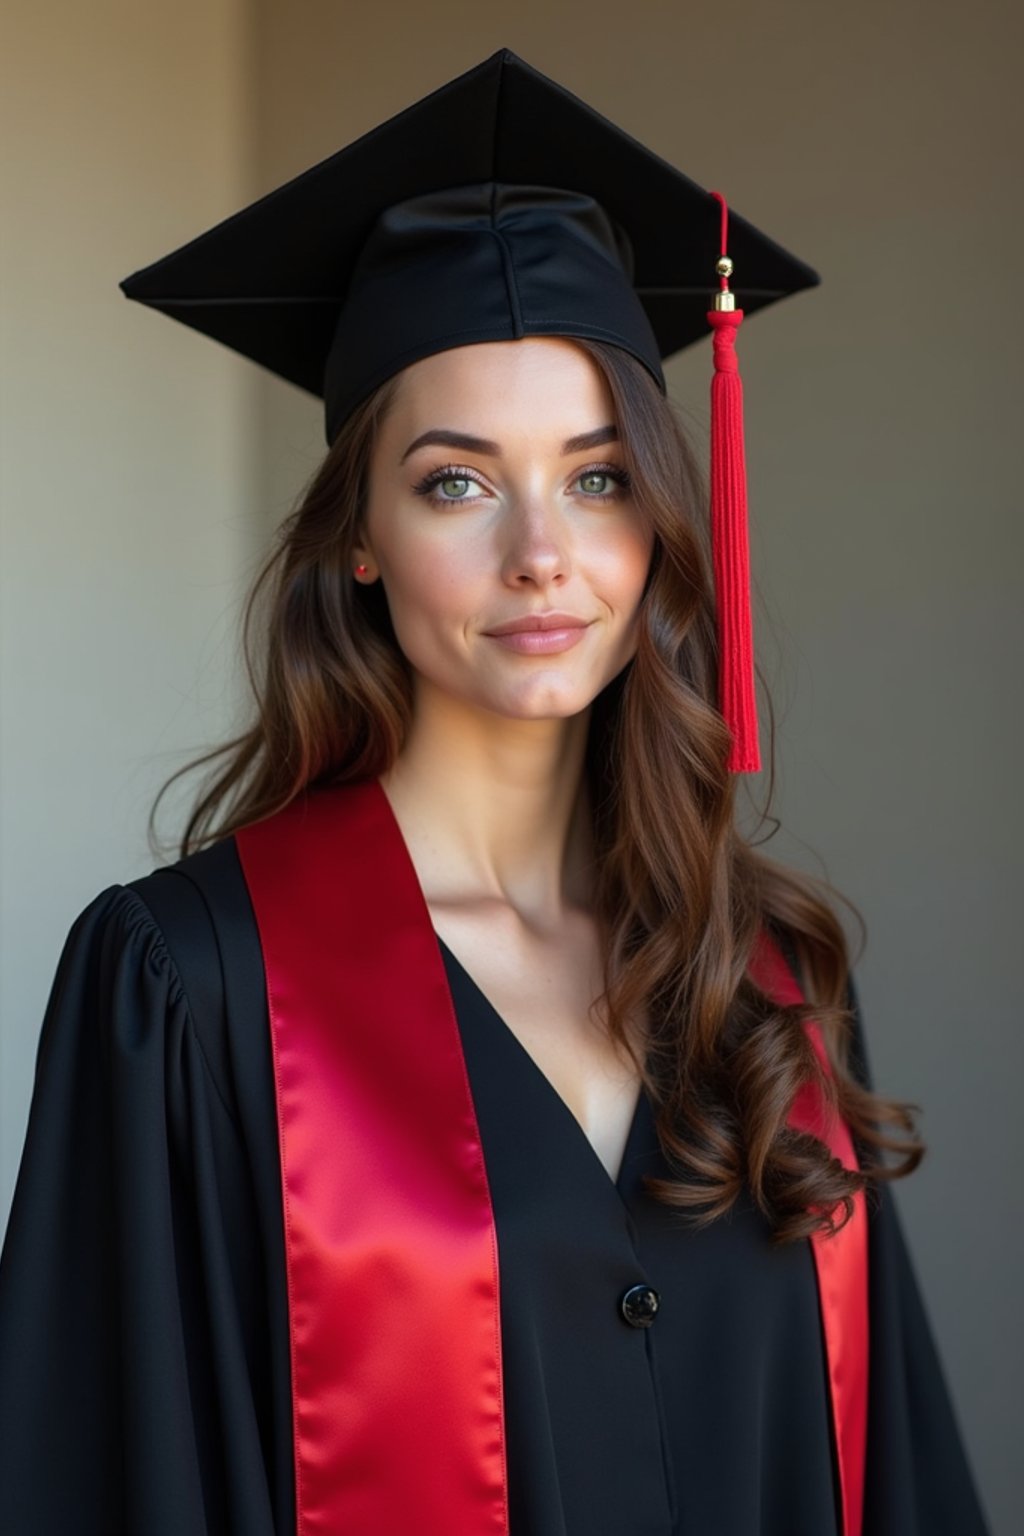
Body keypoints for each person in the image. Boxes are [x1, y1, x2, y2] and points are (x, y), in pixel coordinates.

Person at [0, 46, 990, 1536]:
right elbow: (108, 1473)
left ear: (657, 517)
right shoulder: (189, 988)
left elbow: (892, 1467)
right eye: (457, 481)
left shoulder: (767, 979)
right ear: (359, 535)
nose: (544, 552)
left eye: (597, 478)